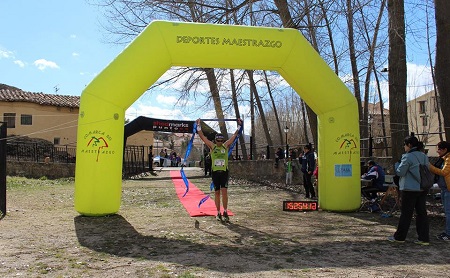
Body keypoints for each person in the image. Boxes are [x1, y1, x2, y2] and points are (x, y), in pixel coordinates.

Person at [196, 118, 242, 222]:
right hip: (215, 173)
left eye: (221, 140)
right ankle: (218, 212)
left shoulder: (225, 146)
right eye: (218, 141)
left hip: (224, 172)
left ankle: (225, 211)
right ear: (215, 140)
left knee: (224, 192)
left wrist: (239, 126)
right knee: (217, 193)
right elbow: (203, 137)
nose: (220, 142)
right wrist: (199, 126)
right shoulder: (212, 147)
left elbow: (234, 136)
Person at [388, 135, 430, 245]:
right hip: (422, 187)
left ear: (409, 145)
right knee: (422, 213)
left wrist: (397, 165)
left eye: (405, 144)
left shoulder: (407, 157)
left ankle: (400, 237)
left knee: (406, 214)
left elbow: (400, 172)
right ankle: (424, 238)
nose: (404, 147)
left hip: (409, 189)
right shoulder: (423, 155)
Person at [429, 141, 450, 241]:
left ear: (445, 149)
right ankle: (447, 231)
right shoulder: (443, 159)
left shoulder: (449, 158)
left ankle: (448, 234)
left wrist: (430, 167)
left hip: (448, 190)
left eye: (439, 149)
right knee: (447, 212)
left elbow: (444, 172)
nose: (437, 151)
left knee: (449, 212)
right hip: (444, 189)